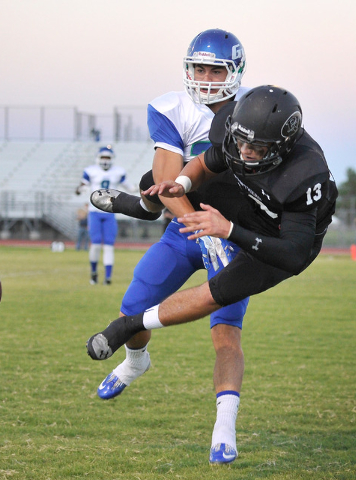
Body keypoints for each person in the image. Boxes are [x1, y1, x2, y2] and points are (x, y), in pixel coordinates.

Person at [86, 85, 339, 463]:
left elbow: (293, 253)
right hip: (216, 215)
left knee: (217, 309)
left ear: (283, 146)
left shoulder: (305, 175)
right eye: (240, 142)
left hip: (267, 242)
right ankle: (136, 356)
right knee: (139, 287)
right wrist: (183, 185)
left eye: (257, 148)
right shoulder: (235, 133)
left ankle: (224, 429)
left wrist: (230, 232)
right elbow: (206, 162)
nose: (245, 151)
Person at [91, 29, 249, 465]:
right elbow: (165, 184)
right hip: (186, 231)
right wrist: (195, 225)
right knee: (133, 307)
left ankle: (224, 427)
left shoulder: (254, 110)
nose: (206, 77)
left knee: (226, 334)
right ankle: (136, 361)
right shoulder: (171, 109)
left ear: (234, 70)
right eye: (199, 67)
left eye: (216, 68)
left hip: (232, 236)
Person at [75, 145, 131, 285]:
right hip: (94, 212)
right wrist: (80, 189)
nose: (105, 161)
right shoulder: (91, 171)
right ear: (98, 158)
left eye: (108, 158)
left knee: (109, 246)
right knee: (95, 245)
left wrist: (139, 188)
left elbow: (129, 187)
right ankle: (94, 273)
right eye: (103, 157)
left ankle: (108, 278)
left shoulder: (118, 172)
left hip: (110, 212)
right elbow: (81, 185)